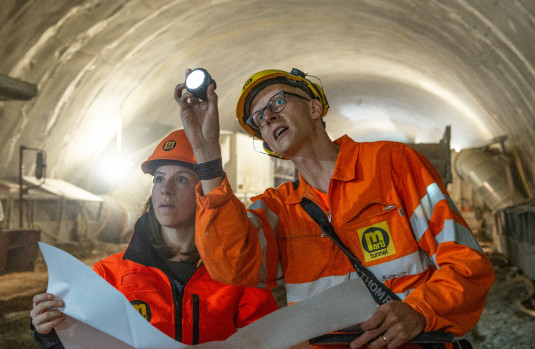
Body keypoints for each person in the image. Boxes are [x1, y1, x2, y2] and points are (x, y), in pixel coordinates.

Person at [174, 68, 495, 349]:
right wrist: (206, 152)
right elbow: (231, 267)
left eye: (277, 102)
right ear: (269, 145)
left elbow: (467, 263)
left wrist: (420, 310)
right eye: (258, 118)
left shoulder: (392, 164)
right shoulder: (279, 208)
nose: (268, 117)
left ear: (314, 107)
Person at [30, 129, 277, 347]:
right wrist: (52, 332)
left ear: (204, 193)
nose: (165, 189)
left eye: (181, 179)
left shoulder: (239, 275)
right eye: (159, 178)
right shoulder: (109, 275)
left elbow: (268, 340)